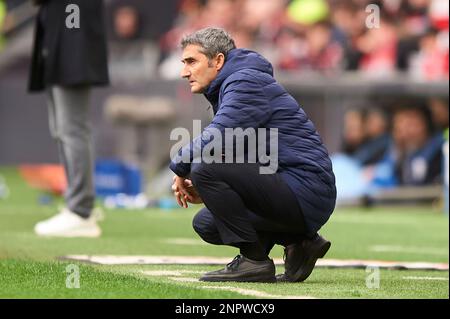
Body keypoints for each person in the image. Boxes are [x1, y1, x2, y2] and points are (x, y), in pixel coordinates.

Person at [170, 27, 336, 283]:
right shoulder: (235, 82)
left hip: (306, 187)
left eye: (192, 61)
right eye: (184, 63)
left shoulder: (245, 81)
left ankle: (254, 261)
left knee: (205, 165)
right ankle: (300, 242)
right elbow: (242, 155)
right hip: (288, 185)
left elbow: (221, 134)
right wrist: (210, 191)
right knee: (207, 223)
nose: (184, 72)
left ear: (218, 60)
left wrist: (179, 165)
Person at [29, 0, 109, 237]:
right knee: (62, 129)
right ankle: (75, 206)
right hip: (56, 37)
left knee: (72, 128)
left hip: (73, 42)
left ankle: (81, 210)